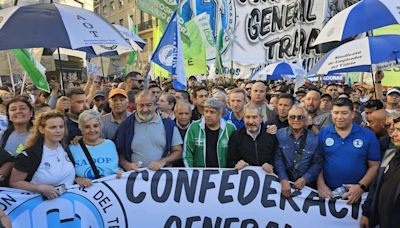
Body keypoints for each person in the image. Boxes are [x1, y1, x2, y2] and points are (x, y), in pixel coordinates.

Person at [317, 98, 380, 204]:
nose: (339, 117)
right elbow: (317, 162)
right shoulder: (323, 133)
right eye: (336, 113)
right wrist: (320, 185)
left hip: (359, 194)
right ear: (331, 113)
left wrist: (361, 187)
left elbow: (374, 166)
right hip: (328, 192)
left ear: (352, 114)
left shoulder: (368, 135)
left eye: (344, 113)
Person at [9, 111, 76, 200]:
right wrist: (40, 188)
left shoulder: (65, 148)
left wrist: (77, 179)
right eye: (52, 127)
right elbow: (14, 182)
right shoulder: (29, 154)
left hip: (67, 203)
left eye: (61, 127)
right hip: (39, 207)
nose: (58, 130)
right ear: (42, 129)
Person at [114, 91, 182, 171]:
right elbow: (118, 152)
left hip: (163, 177)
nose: (145, 109)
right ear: (136, 105)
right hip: (135, 178)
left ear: (155, 105)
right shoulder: (126, 125)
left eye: (149, 105)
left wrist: (163, 162)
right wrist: (127, 165)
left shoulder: (168, 124)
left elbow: (178, 151)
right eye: (141, 105)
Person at [360, 117, 400, 228]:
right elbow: (376, 185)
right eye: (394, 130)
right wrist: (367, 213)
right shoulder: (389, 155)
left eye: (399, 130)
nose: (393, 134)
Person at [275, 105, 322, 197]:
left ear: (305, 120)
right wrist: (283, 179)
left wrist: (305, 179)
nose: (296, 120)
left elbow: (317, 163)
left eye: (300, 117)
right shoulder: (279, 134)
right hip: (283, 184)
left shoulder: (315, 139)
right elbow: (277, 159)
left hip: (307, 187)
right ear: (288, 119)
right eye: (292, 117)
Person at [69, 110, 119, 187]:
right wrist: (76, 179)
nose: (92, 130)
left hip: (110, 191)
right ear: (81, 129)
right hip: (85, 194)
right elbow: (66, 175)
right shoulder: (72, 148)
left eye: (95, 126)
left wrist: (120, 172)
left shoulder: (110, 145)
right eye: (87, 127)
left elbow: (115, 168)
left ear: (101, 126)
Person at [184, 98, 236, 168]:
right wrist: (190, 172)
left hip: (223, 175)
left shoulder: (230, 128)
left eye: (212, 112)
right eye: (206, 111)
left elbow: (235, 153)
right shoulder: (194, 127)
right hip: (199, 175)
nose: (208, 115)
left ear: (220, 114)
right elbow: (188, 153)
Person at [227, 103, 276, 172]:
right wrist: (236, 164)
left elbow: (277, 157)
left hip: (268, 178)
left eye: (254, 117)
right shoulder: (236, 136)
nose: (251, 121)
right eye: (247, 117)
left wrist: (271, 165)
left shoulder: (270, 134)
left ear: (261, 118)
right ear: (243, 118)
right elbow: (230, 161)